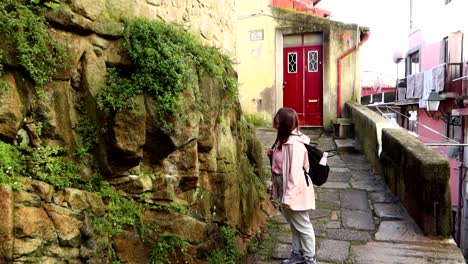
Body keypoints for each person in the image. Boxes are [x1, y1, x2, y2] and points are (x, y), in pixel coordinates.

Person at [273, 107, 317, 264]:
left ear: (284, 124)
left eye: (277, 122)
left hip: (295, 190)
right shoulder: (283, 140)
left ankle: (310, 258)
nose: (274, 124)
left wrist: (289, 197)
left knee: (303, 224)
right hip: (286, 187)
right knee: (295, 224)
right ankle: (298, 253)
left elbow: (295, 175)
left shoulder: (295, 145)